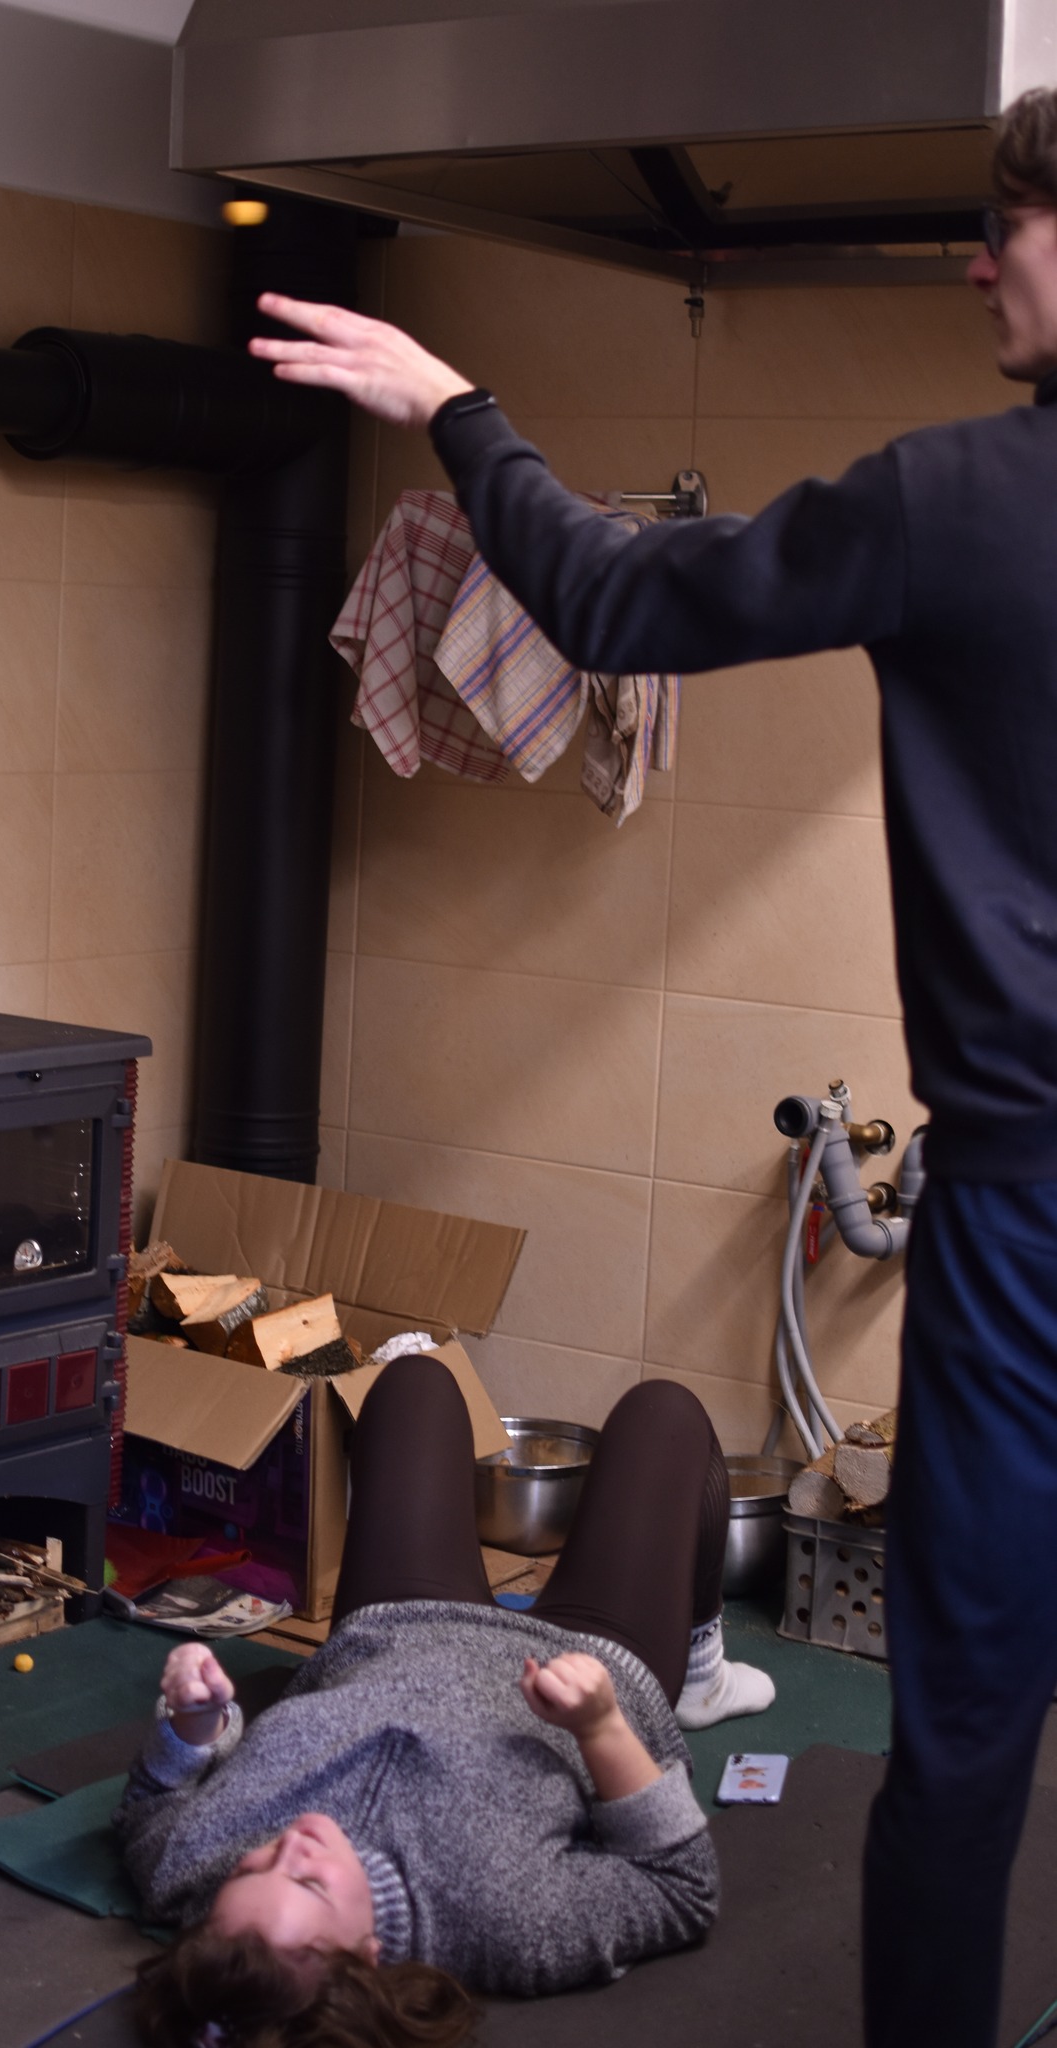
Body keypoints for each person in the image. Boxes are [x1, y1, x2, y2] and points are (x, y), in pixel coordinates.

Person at [244, 84, 1057, 2048]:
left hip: (1029, 1226)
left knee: (963, 1740)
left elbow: (613, 599)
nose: (977, 267)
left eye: (1009, 228)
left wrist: (456, 402)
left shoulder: (954, 497)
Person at [117, 1357, 777, 2043]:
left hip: (397, 1626)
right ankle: (700, 1673)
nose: (292, 1845)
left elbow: (150, 1807)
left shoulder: (194, 1875)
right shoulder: (511, 1926)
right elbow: (679, 1885)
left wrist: (193, 1728)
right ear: (367, 1960)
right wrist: (602, 1726)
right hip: (590, 1660)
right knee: (663, 1413)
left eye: (254, 1868)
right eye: (309, 1883)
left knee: (413, 1384)